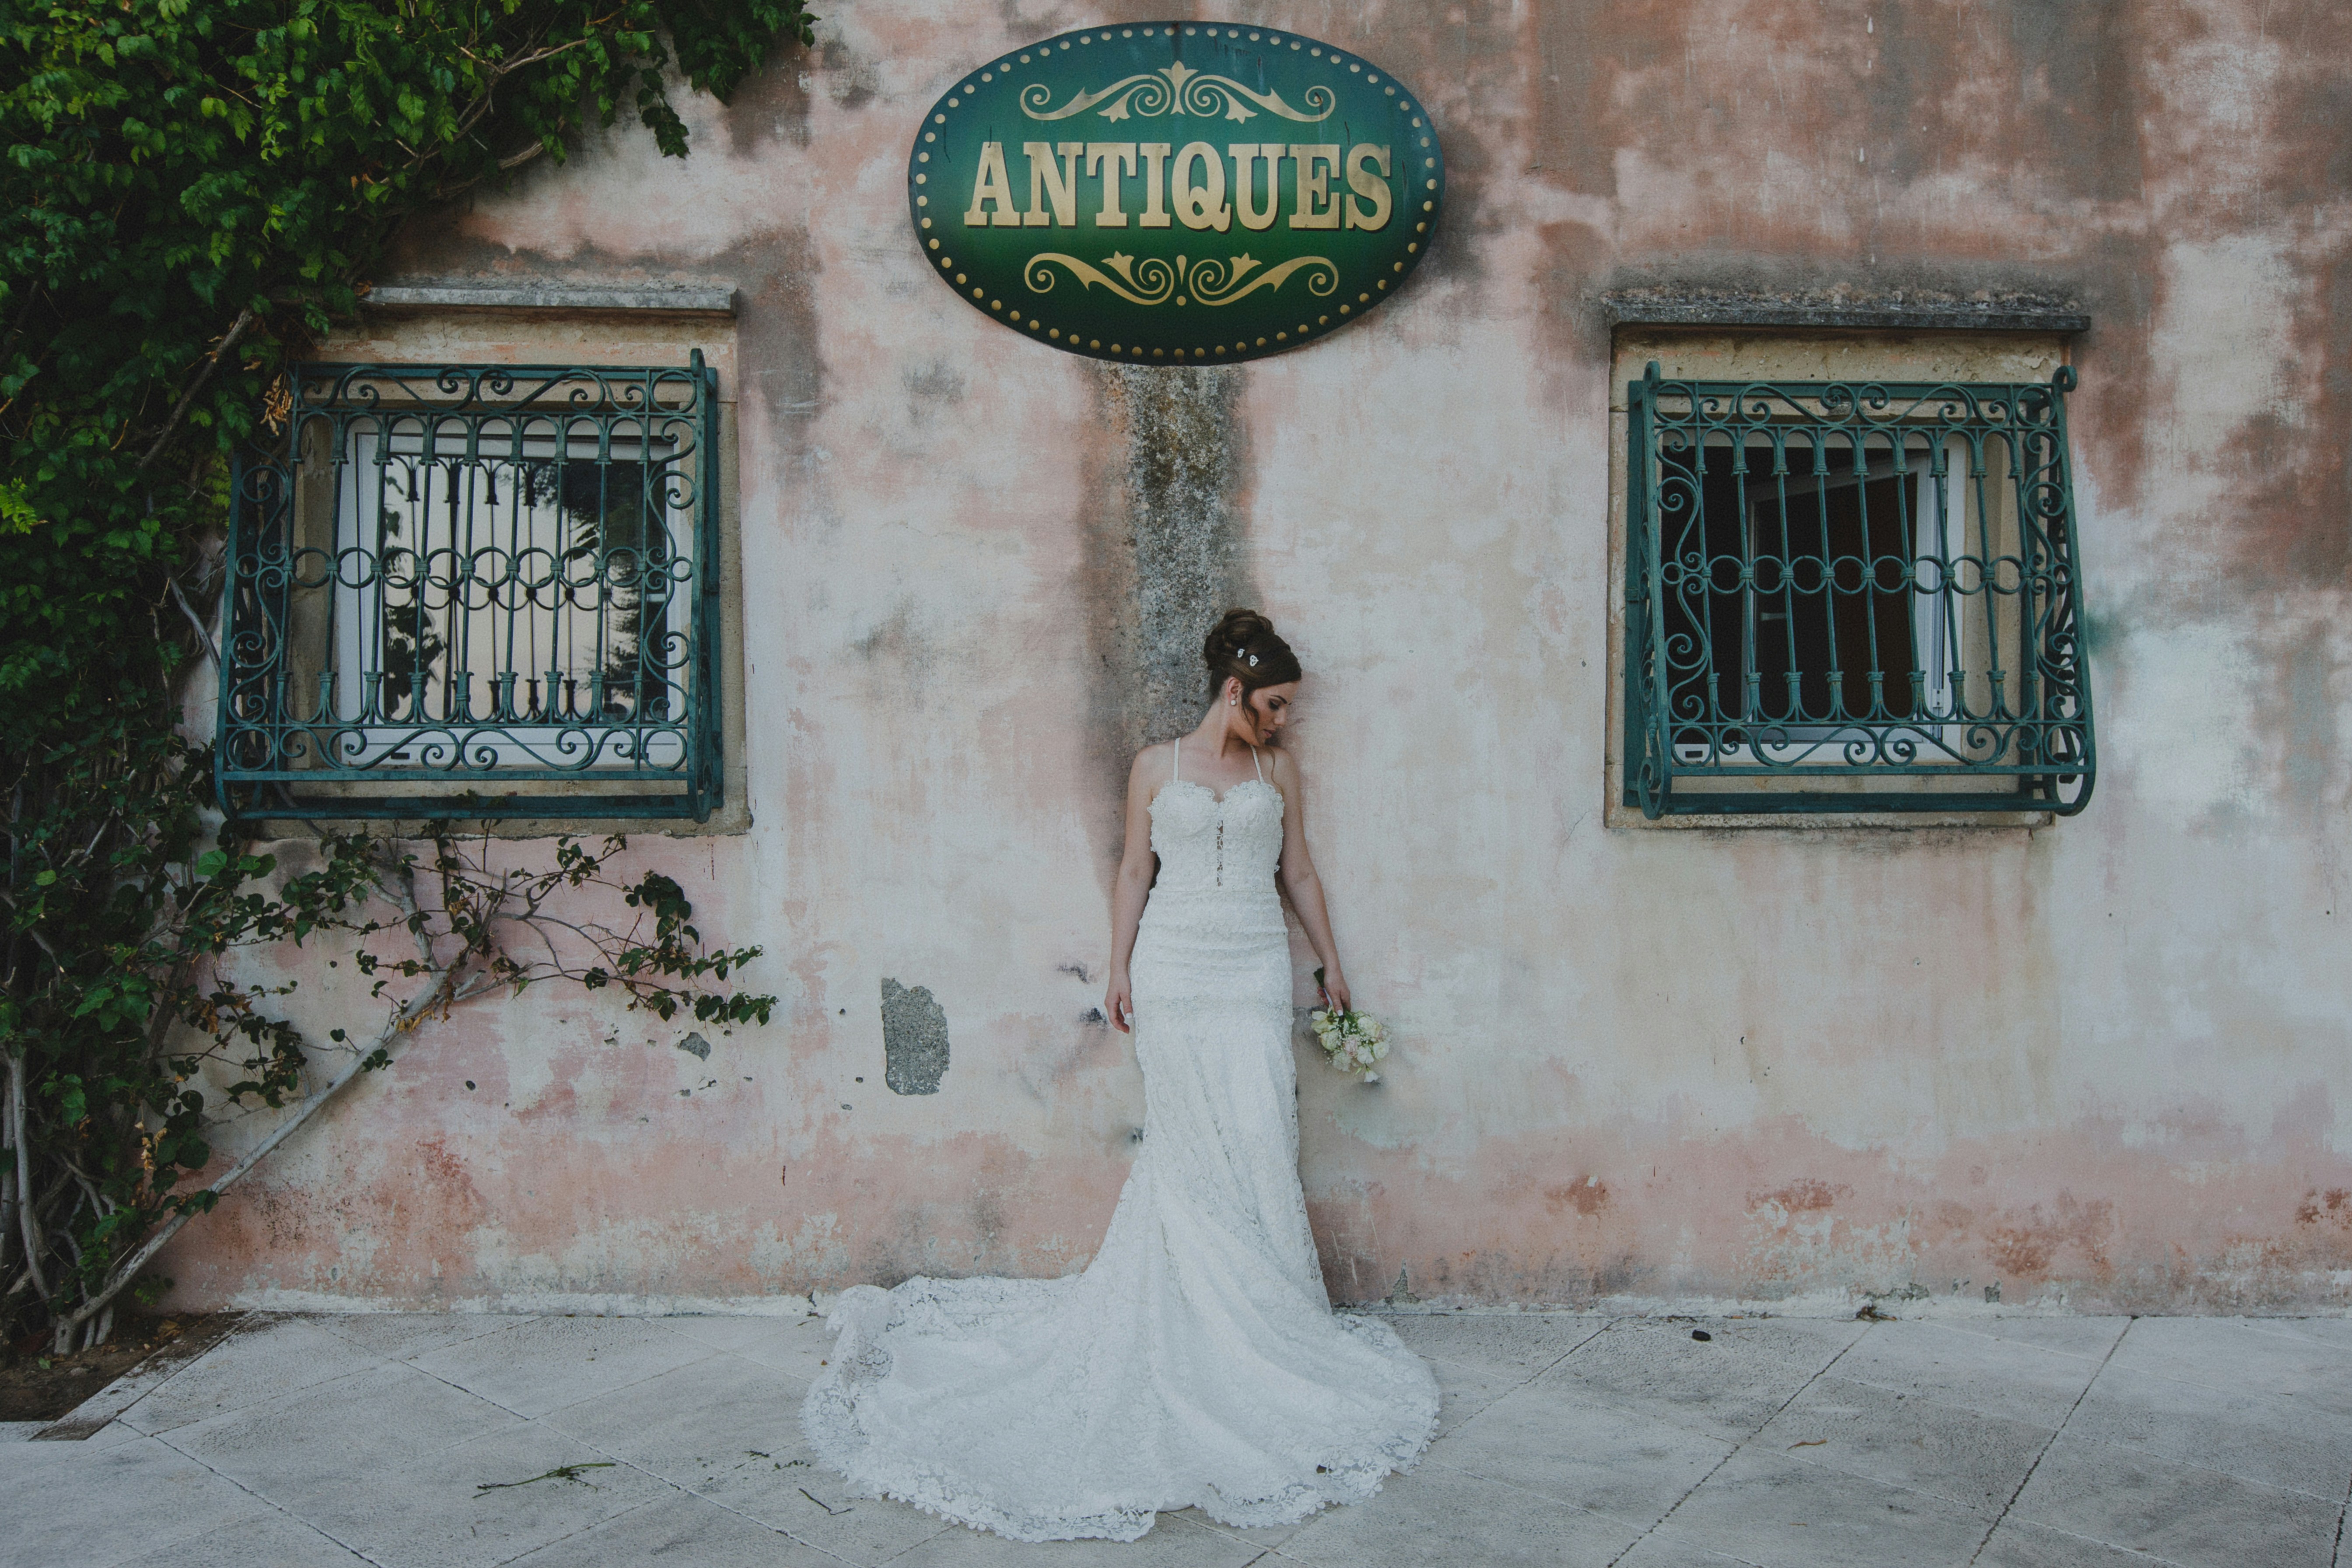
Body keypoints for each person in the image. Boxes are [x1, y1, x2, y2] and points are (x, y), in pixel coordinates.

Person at [802, 609, 1438, 1542]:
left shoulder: (1278, 771)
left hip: (1254, 969)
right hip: (1177, 970)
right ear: (1234, 690)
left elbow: (1296, 872)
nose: (1284, 720)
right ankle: (1195, 1317)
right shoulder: (1157, 766)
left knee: (1262, 1128)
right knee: (1189, 1142)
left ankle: (1263, 1320)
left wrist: (1330, 962)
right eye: (1275, 704)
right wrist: (1119, 966)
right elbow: (1135, 871)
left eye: (1289, 707)